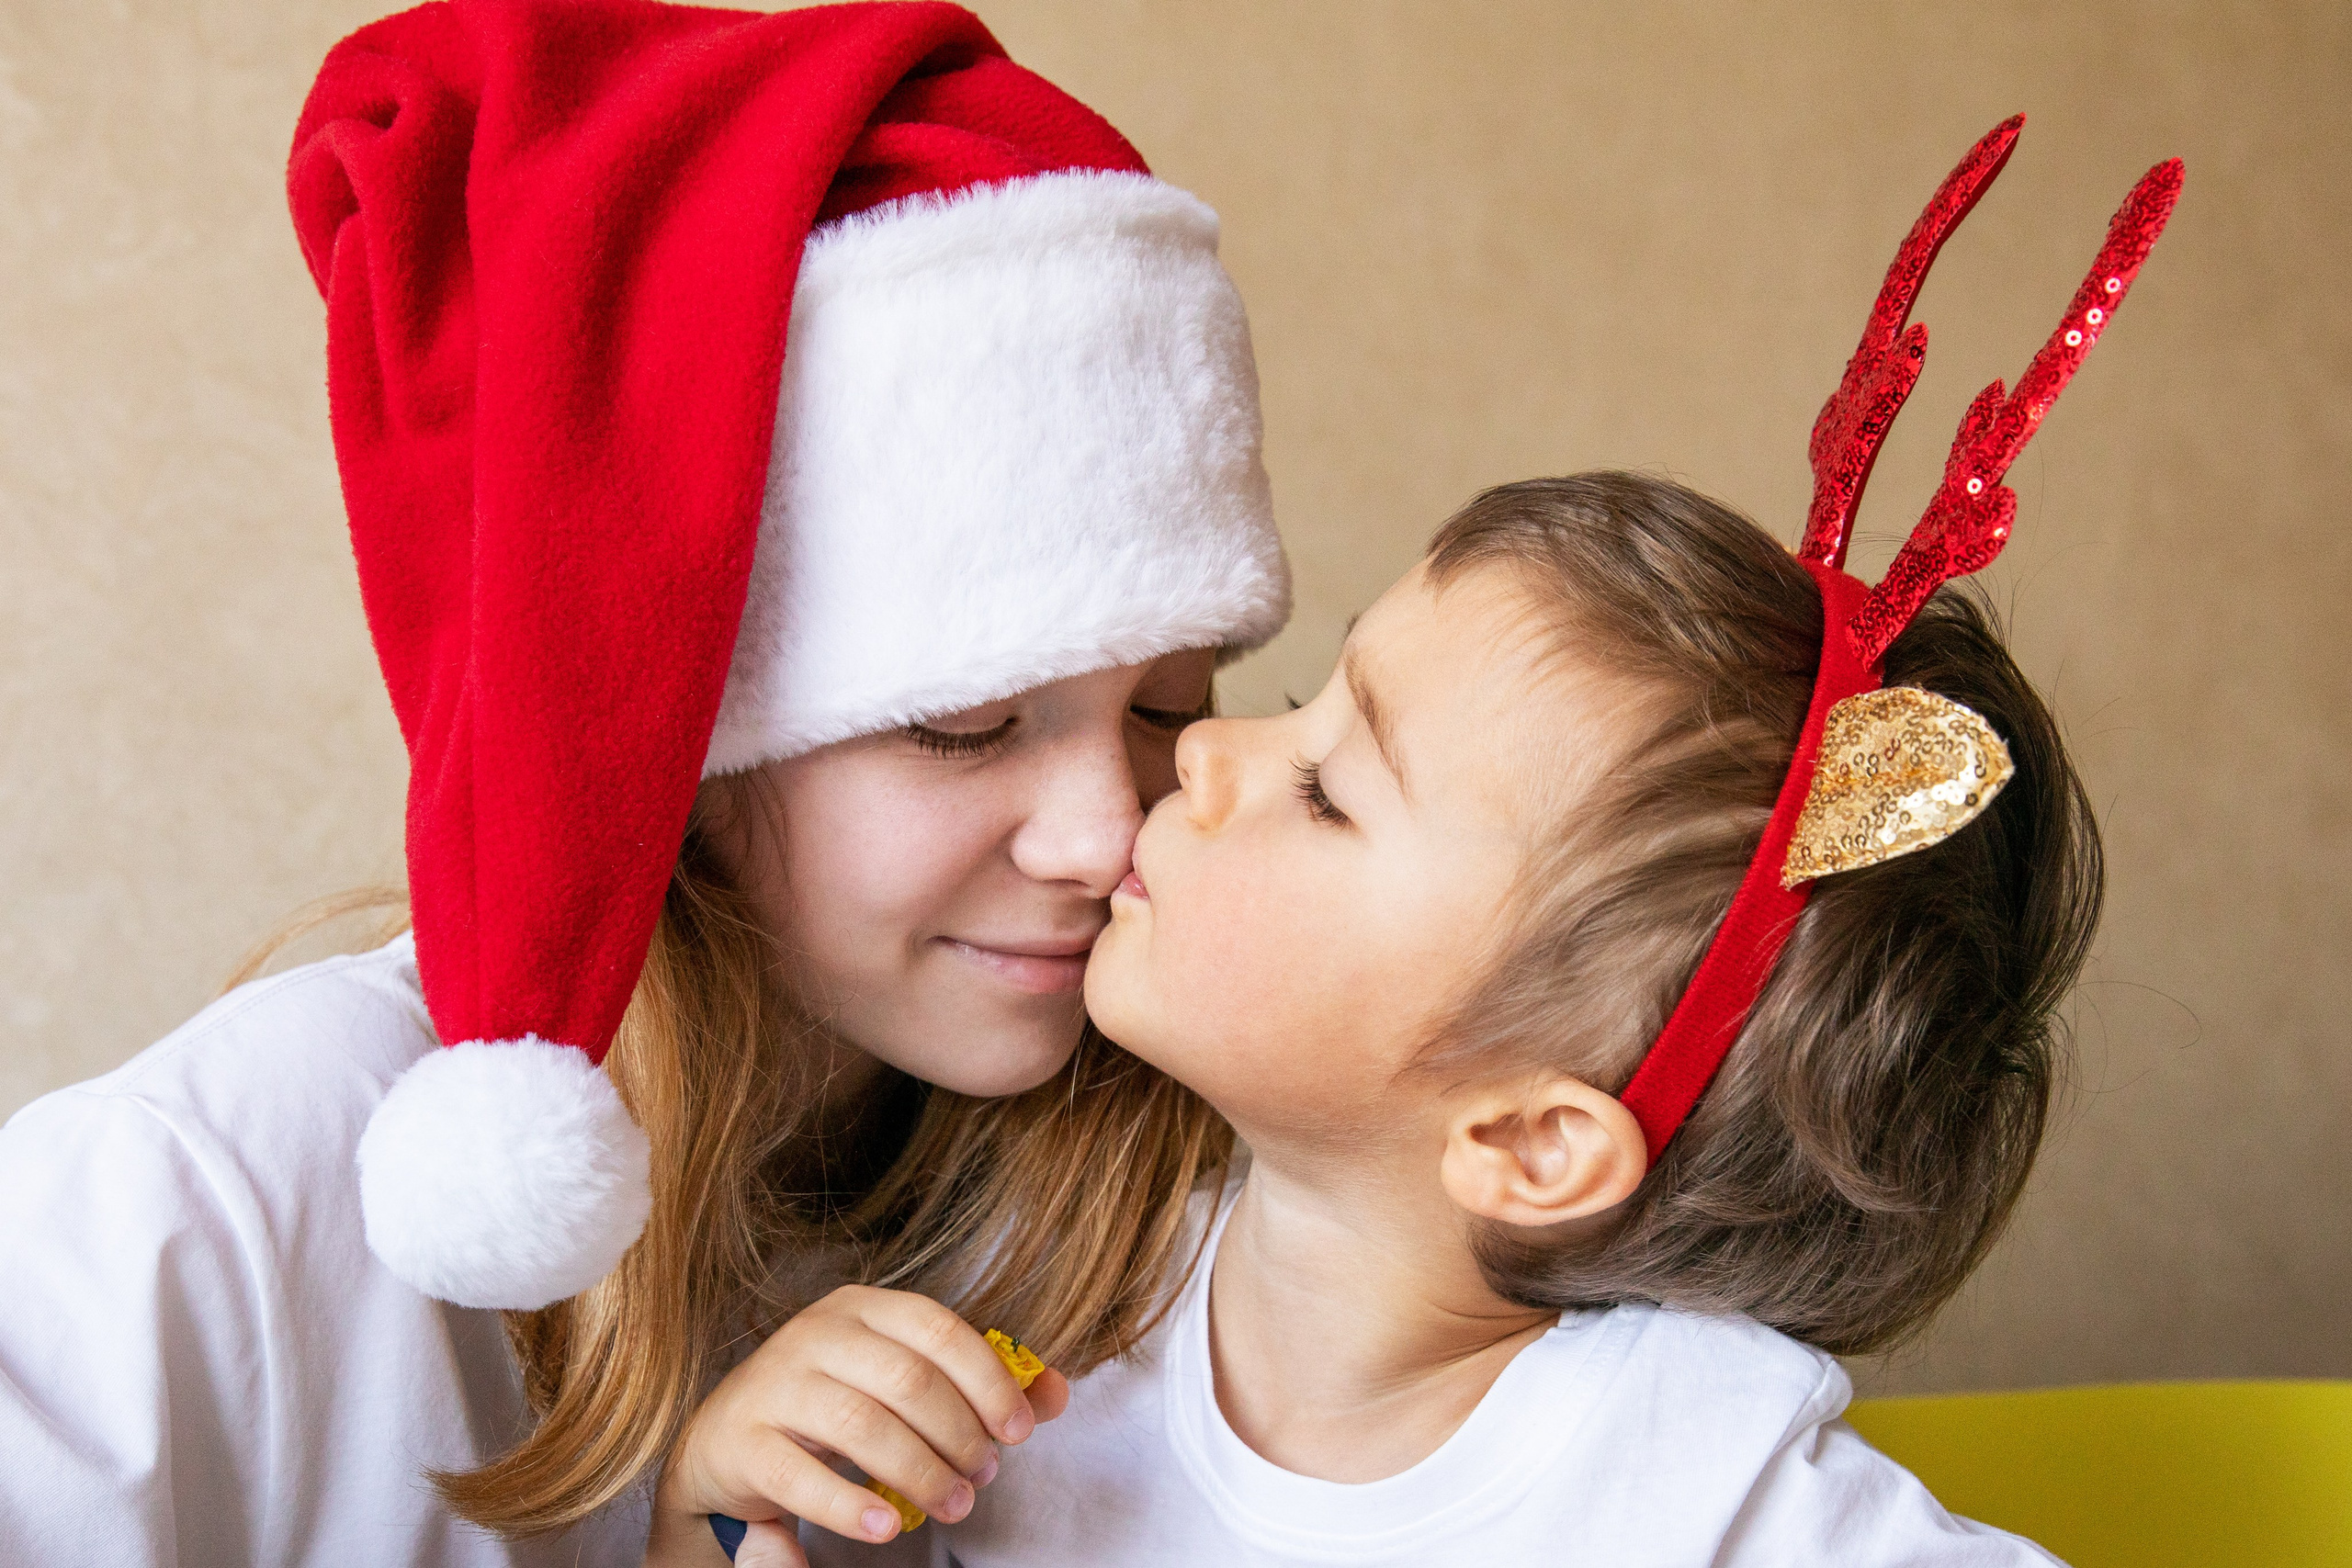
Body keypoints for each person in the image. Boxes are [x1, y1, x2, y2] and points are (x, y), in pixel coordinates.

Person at [0, 2, 1286, 1563]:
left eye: (1169, 705)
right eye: (964, 725)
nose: (1110, 834)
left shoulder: (1194, 1193)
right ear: (676, 742)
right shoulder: (201, 1208)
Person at [933, 123, 2181, 1566]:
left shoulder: (1706, 1490)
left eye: (1330, 787)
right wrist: (735, 1501)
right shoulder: (1033, 1307)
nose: (1205, 750)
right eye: (1295, 707)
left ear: (1529, 1142)